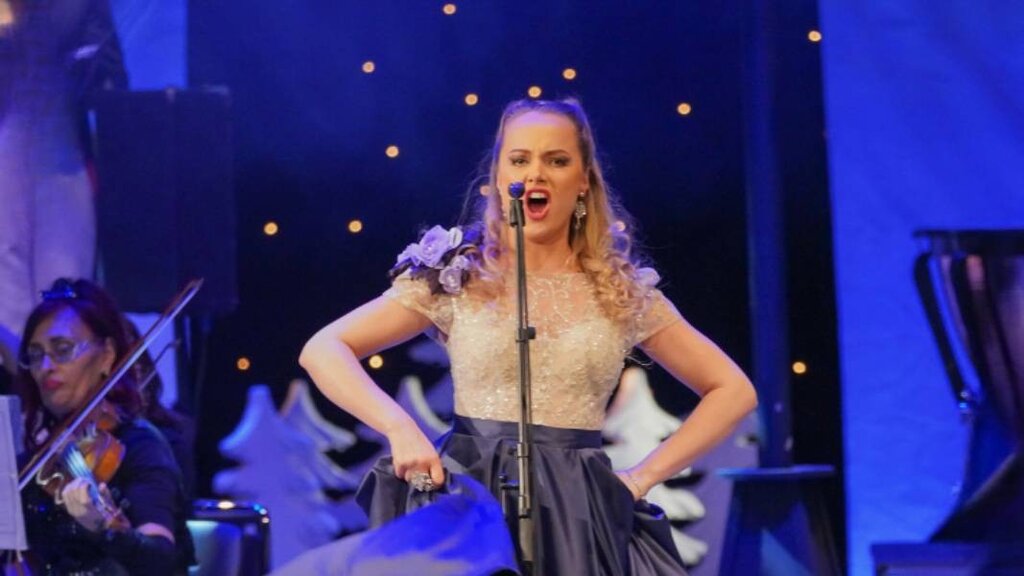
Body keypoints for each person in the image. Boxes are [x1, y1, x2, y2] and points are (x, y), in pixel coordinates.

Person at [298, 98, 757, 575]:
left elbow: (733, 390)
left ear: (584, 180)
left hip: (578, 510)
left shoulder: (619, 291)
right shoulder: (459, 275)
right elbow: (324, 349)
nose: (536, 174)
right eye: (520, 160)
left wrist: (641, 478)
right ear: (499, 177)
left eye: (556, 161)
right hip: (470, 504)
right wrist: (398, 427)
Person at [11, 278, 194, 575]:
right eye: (35, 355)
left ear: (107, 356)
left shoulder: (140, 448)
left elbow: (160, 561)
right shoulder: (35, 464)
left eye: (63, 349)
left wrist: (104, 527)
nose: (45, 367)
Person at [0, 0, 128, 379]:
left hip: (61, 147)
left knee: (63, 281)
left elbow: (111, 74)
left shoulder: (81, 7)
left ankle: (64, 384)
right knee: (5, 272)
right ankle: (23, 386)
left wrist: (85, 63)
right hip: (9, 137)